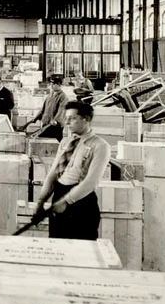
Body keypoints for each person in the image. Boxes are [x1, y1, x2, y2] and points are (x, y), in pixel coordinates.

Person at [35, 101, 111, 240]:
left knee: (81, 251)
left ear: (86, 119)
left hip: (81, 202)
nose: (67, 122)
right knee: (58, 246)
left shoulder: (100, 145)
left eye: (72, 118)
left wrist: (66, 201)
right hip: (59, 195)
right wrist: (40, 202)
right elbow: (53, 174)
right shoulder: (65, 142)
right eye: (66, 118)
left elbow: (91, 182)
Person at [30, 74, 69, 141]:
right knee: (44, 142)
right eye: (51, 84)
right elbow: (43, 108)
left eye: (53, 84)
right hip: (46, 123)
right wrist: (36, 117)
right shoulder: (50, 94)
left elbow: (61, 111)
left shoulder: (63, 97)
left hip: (55, 126)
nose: (51, 86)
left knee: (55, 144)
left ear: (59, 85)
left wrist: (56, 120)